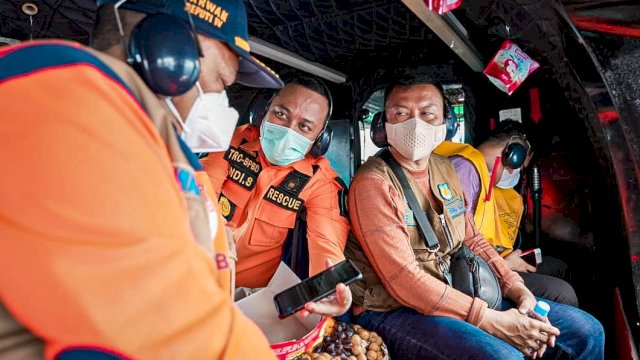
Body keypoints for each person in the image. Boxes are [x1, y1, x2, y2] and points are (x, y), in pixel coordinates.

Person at [0, 0, 287, 358]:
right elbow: (152, 328)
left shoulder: (161, 144)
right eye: (221, 83)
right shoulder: (69, 97)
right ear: (169, 52)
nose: (223, 103)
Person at [344, 73, 604, 359]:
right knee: (503, 357)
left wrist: (515, 288)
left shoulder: (444, 169)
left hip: (452, 289)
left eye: (427, 114)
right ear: (384, 125)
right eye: (401, 113)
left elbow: (474, 240)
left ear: (447, 124)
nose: (413, 123)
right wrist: (490, 321)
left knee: (586, 332)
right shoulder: (373, 183)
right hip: (391, 309)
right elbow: (404, 280)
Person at [201, 76, 352, 315]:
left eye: (304, 126)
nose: (287, 130)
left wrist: (331, 289)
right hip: (194, 270)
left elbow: (327, 244)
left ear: (319, 139)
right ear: (263, 112)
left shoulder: (320, 181)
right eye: (281, 114)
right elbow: (200, 196)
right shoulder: (232, 141)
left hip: (247, 298)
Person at [434, 120, 579, 306]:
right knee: (563, 293)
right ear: (513, 155)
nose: (517, 173)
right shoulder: (466, 169)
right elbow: (456, 240)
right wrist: (505, 266)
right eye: (520, 166)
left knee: (560, 268)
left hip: (486, 260)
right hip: (470, 271)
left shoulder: (482, 175)